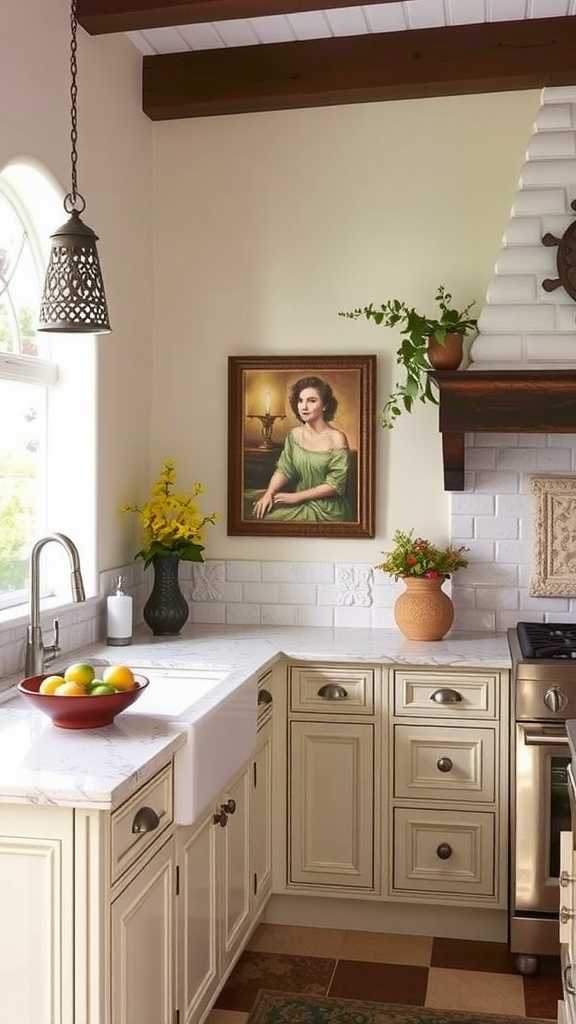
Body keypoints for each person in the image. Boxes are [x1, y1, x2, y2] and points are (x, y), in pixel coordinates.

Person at [250, 376, 353, 522]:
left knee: (265, 518)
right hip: (297, 500)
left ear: (324, 405)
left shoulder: (337, 438)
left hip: (327, 508)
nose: (303, 407)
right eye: (300, 400)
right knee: (251, 505)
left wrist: (296, 497)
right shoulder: (295, 434)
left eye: (311, 401)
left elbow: (335, 485)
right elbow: (284, 470)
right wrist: (269, 493)